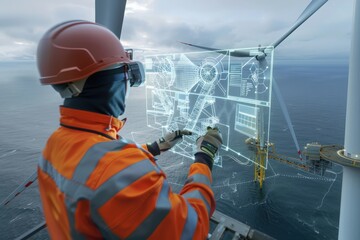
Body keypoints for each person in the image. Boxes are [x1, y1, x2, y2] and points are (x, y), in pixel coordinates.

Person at [36, 20, 223, 239]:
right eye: (129, 73)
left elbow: (95, 167)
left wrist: (155, 147)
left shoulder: (55, 145)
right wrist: (204, 156)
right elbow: (193, 229)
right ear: (110, 81)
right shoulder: (114, 169)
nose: (129, 84)